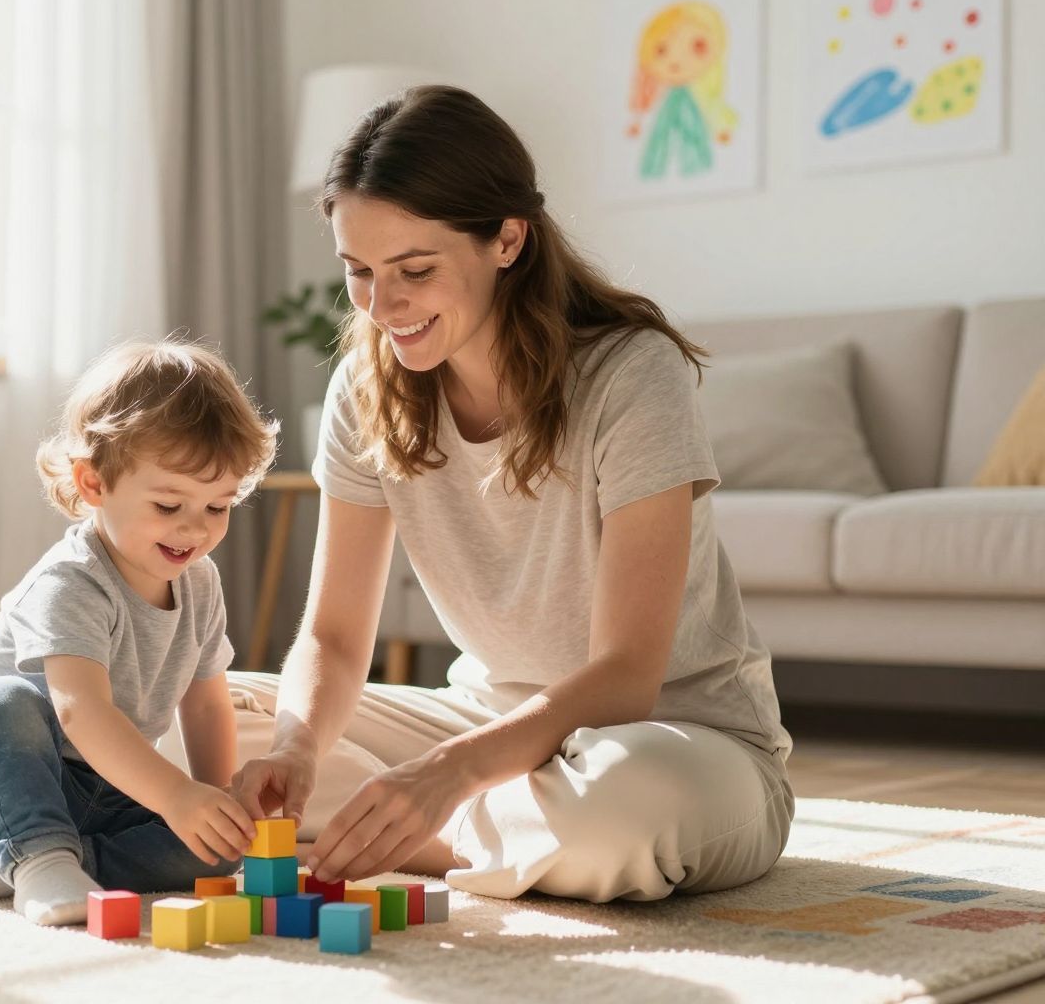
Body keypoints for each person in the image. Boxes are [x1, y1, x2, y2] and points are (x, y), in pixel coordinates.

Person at [171, 85, 795, 904]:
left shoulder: (632, 373)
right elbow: (332, 633)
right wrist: (295, 749)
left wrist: (447, 774)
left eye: (415, 270)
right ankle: (466, 832)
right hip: (484, 718)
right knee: (189, 720)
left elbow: (627, 675)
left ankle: (408, 827)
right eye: (359, 273)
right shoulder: (369, 388)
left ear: (507, 239)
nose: (383, 307)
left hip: (673, 740)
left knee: (622, 814)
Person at [0, 340, 278, 925]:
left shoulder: (201, 583)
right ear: (94, 485)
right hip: (2, 778)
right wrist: (174, 796)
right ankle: (37, 856)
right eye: (169, 506)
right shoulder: (70, 583)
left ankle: (33, 859)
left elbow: (208, 707)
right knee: (4, 701)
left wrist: (212, 806)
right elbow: (80, 712)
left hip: (111, 790)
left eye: (218, 507)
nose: (195, 529)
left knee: (213, 856)